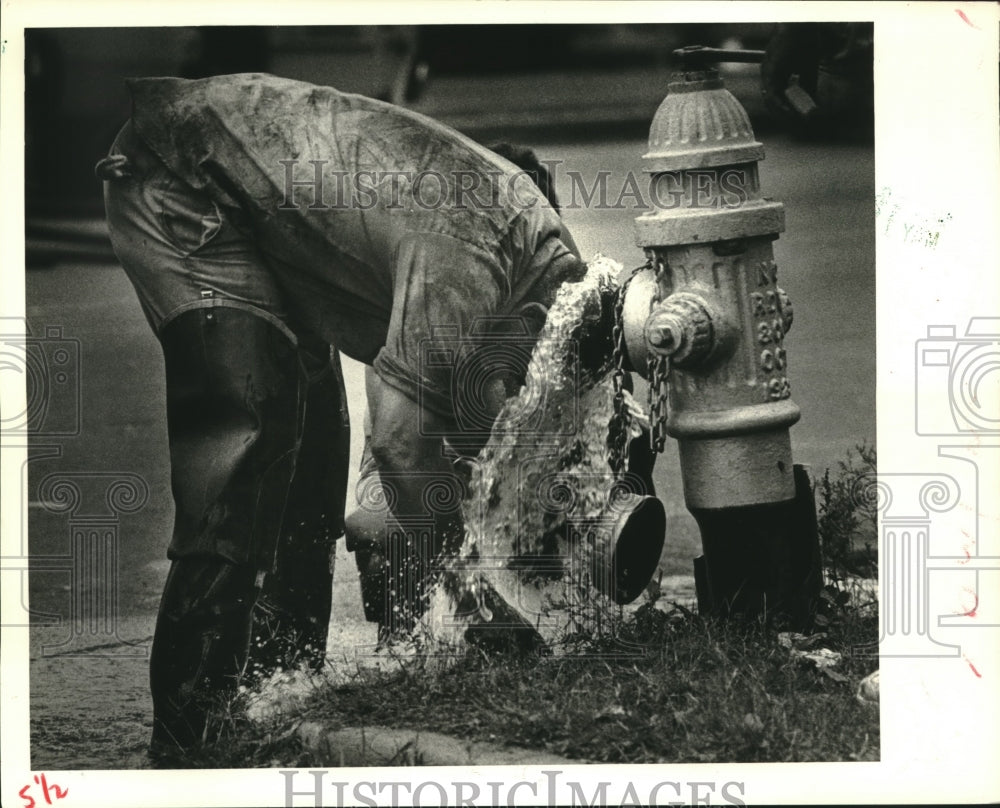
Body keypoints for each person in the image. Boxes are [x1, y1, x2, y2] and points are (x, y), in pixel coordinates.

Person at [96, 72, 583, 762]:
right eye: (519, 377)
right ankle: (193, 732)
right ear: (531, 320)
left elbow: (456, 420)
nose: (509, 394)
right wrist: (476, 606)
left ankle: (279, 692)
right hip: (183, 181)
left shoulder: (527, 255)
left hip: (255, 201)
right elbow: (403, 447)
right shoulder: (477, 261)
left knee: (316, 450)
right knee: (252, 439)